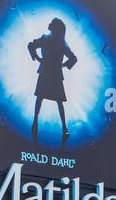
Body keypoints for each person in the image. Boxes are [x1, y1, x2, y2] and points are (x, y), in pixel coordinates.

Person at [27, 18, 78, 147]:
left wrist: (61, 65)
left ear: (55, 27)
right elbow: (31, 45)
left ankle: (61, 126)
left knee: (49, 99)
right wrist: (37, 58)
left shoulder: (57, 42)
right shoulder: (51, 40)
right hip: (50, 72)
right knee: (46, 99)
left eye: (51, 23)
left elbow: (73, 58)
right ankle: (37, 122)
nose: (49, 24)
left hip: (51, 72)